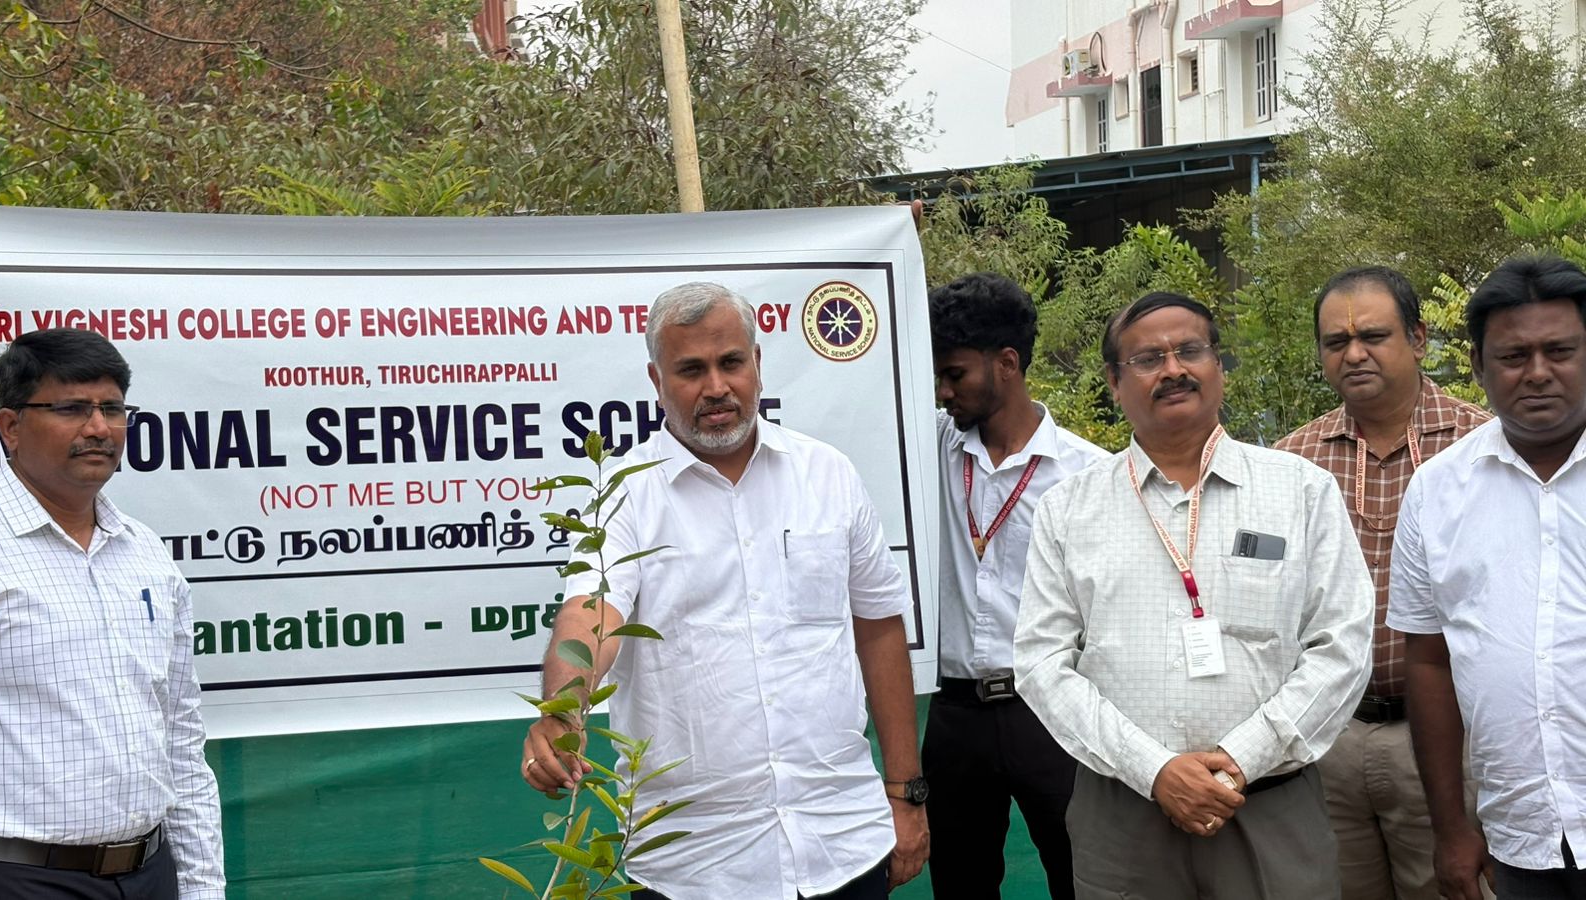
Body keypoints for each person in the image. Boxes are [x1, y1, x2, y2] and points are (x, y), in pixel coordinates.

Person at [520, 282, 928, 899]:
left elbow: (878, 629)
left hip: (842, 839)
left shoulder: (828, 475)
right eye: (691, 370)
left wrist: (905, 792)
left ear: (757, 363)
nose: (716, 387)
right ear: (657, 381)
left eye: (731, 362)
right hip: (696, 865)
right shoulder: (625, 497)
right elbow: (590, 617)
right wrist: (562, 711)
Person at [1014, 291, 1373, 899]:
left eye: (1190, 351)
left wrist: (1242, 759)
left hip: (1269, 805)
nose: (1173, 369)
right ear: (1114, 382)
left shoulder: (1300, 491)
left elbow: (1343, 643)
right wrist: (1154, 770)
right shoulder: (1069, 508)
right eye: (1147, 359)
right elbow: (1041, 661)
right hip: (1123, 813)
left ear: (1219, 366)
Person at [0, 329, 225, 900]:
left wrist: (201, 887)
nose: (98, 428)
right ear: (11, 427)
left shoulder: (145, 552)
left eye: (113, 409)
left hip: (151, 873)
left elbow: (181, 739)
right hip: (17, 878)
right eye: (72, 408)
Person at [1276, 266, 1490, 900]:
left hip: (1451, 741)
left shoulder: (1483, 448)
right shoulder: (1292, 462)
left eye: (1373, 336)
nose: (1354, 354)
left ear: (1418, 339)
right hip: (1329, 740)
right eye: (1336, 342)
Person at [1388, 254, 1586, 900]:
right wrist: (1451, 828)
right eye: (1513, 356)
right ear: (1477, 364)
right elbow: (1428, 662)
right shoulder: (1436, 491)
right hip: (1522, 835)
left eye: (1560, 351)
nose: (1538, 372)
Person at [926, 272, 1106, 898]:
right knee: (959, 885)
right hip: (954, 712)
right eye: (937, 376)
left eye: (955, 374)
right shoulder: (930, 448)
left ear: (1007, 363)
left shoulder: (1089, 475)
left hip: (1051, 709)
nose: (943, 392)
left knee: (1081, 878)